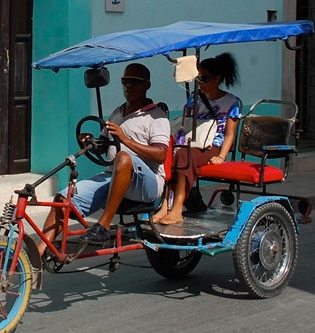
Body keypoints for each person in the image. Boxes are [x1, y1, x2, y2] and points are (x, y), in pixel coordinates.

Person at [37, 63, 170, 254]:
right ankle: (40, 253)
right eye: (125, 82)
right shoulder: (118, 112)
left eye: (135, 82)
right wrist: (90, 141)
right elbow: (104, 145)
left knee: (124, 158)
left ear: (147, 85)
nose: (129, 86)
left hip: (147, 183)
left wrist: (125, 139)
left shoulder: (156, 117)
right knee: (62, 199)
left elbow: (161, 155)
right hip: (113, 176)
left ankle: (103, 226)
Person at [153, 53, 241, 225]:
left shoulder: (231, 102)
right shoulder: (194, 97)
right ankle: (164, 205)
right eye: (198, 78)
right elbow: (186, 123)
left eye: (204, 79)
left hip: (212, 146)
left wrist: (221, 156)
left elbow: (230, 134)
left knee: (185, 156)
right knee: (169, 154)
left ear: (217, 78)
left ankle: (177, 208)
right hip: (190, 142)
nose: (200, 83)